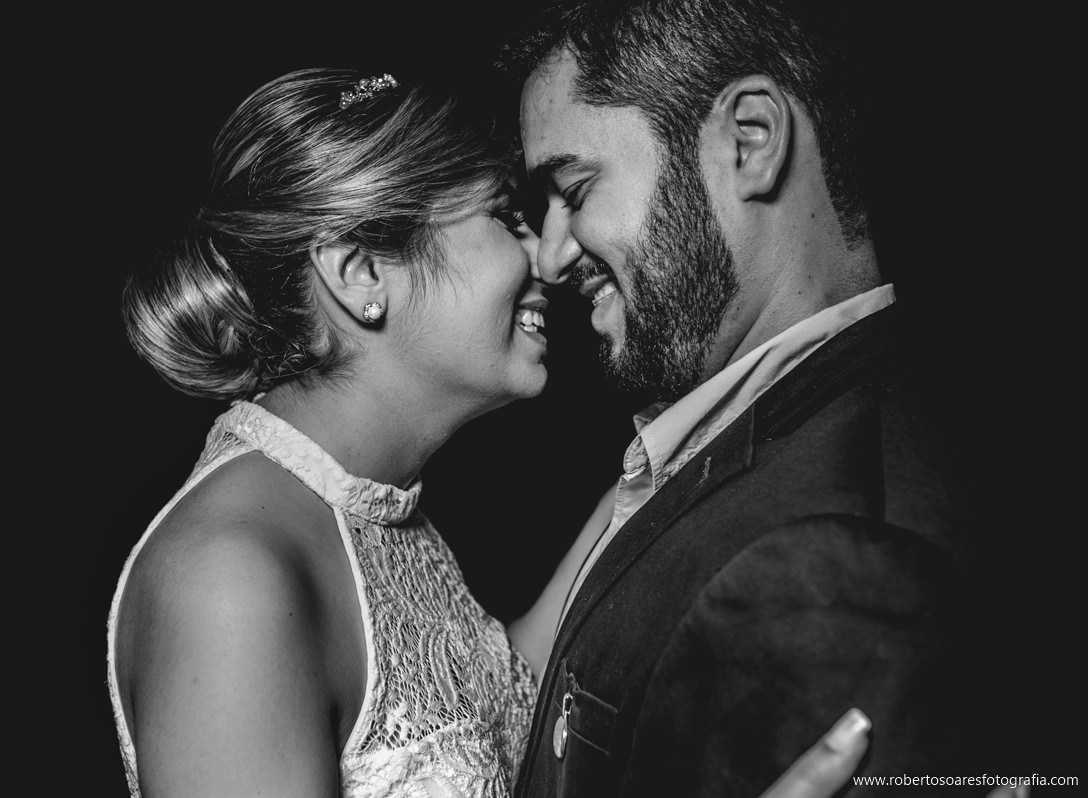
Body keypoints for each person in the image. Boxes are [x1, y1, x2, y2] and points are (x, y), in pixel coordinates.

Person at [106, 67, 879, 798]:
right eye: (506, 218)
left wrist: (677, 448)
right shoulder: (230, 578)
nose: (548, 258)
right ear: (361, 273)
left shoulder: (372, 508)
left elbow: (497, 705)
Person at [498, 1, 1018, 795]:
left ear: (751, 141)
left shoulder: (848, 556)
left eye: (573, 189)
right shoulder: (723, 438)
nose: (552, 255)